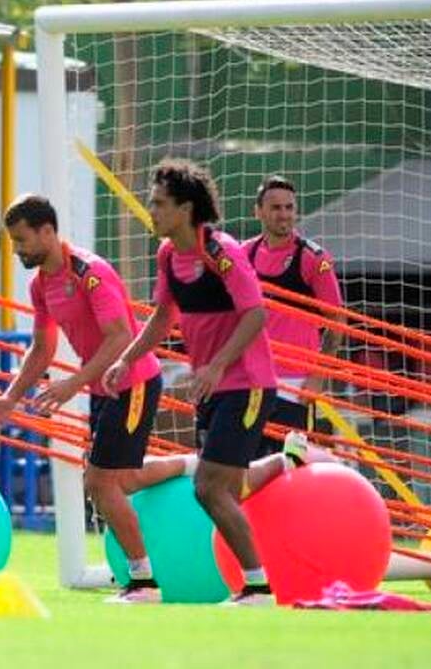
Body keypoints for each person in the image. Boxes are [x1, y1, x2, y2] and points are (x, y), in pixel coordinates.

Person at [0, 193, 194, 603]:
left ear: (48, 232)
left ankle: (143, 581)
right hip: (103, 388)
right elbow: (42, 348)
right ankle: (191, 464)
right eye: (12, 242)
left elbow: (120, 337)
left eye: (21, 240)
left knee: (99, 482)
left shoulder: (90, 272)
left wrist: (72, 384)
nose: (16, 250)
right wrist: (11, 396)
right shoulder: (40, 285)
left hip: (133, 383)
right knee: (124, 480)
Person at [103, 159, 279, 606]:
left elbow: (256, 314)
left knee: (208, 488)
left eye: (159, 203)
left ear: (185, 209)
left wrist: (217, 365)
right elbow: (163, 318)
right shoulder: (167, 255)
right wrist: (126, 359)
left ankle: (258, 587)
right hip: (213, 390)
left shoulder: (220, 251)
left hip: (247, 384)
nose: (151, 211)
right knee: (228, 488)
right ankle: (287, 462)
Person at [242, 175, 344, 457]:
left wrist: (318, 377)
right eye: (276, 208)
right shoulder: (243, 254)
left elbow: (338, 322)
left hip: (295, 385)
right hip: (250, 381)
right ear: (258, 211)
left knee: (290, 464)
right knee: (244, 465)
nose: (284, 214)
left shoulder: (314, 258)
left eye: (289, 207)